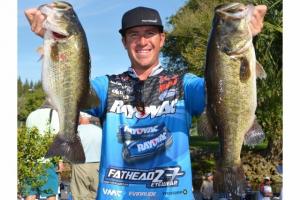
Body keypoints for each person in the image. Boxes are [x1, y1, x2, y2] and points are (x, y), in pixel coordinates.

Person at [24, 3, 267, 200]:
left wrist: (244, 37)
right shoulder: (105, 86)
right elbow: (72, 88)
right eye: (134, 35)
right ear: (124, 42)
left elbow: (222, 88)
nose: (142, 42)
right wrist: (57, 44)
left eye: (149, 34)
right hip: (114, 195)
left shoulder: (185, 85)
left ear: (162, 39)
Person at [23, 101, 62, 200]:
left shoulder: (31, 115)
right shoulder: (54, 114)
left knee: (30, 193)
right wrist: (60, 160)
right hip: (47, 161)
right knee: (50, 193)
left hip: (30, 161)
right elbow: (57, 138)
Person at [70, 112, 102, 200]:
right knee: (96, 195)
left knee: (80, 195)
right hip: (98, 166)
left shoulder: (75, 131)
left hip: (80, 166)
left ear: (79, 117)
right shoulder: (99, 130)